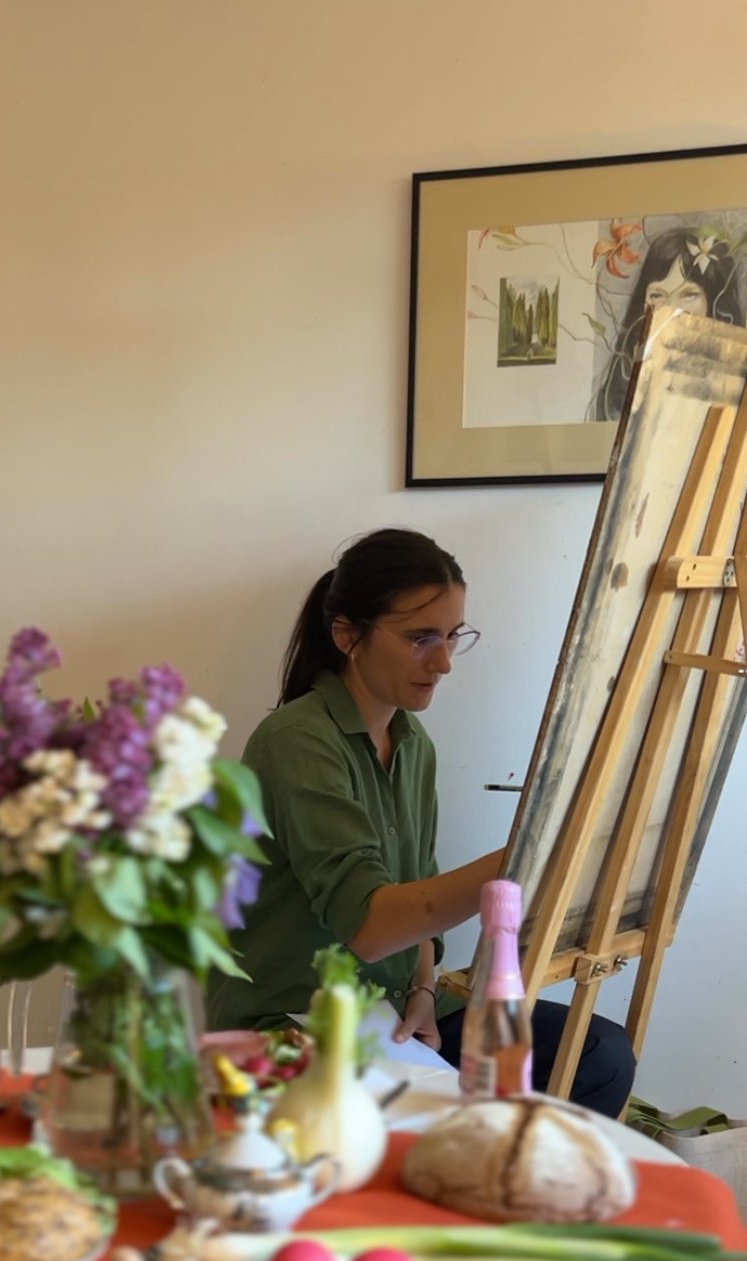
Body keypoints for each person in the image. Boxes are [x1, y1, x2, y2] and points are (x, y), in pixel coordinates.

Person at [205, 528, 636, 1118]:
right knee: (402, 1125)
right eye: (420, 639)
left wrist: (426, 991)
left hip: (398, 1014)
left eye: (453, 636)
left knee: (599, 1053)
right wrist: (530, 858)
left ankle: (494, 1189)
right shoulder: (296, 741)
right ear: (347, 635)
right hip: (294, 1022)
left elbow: (419, 899)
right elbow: (372, 925)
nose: (444, 662)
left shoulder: (413, 743)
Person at [592, 225, 746, 421]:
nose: (671, 309)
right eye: (657, 295)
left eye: (689, 295)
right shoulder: (622, 383)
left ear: (715, 300)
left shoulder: (736, 381)